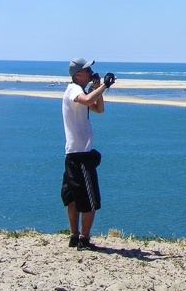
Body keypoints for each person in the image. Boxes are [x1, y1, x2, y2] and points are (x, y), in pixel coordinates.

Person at [61, 57, 115, 250]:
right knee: (89, 200)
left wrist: (98, 88)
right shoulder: (74, 90)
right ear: (78, 75)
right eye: (87, 71)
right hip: (81, 155)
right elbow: (87, 100)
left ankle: (74, 236)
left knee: (73, 198)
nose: (91, 73)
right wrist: (104, 87)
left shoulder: (78, 91)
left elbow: (98, 108)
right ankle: (83, 238)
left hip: (73, 153)